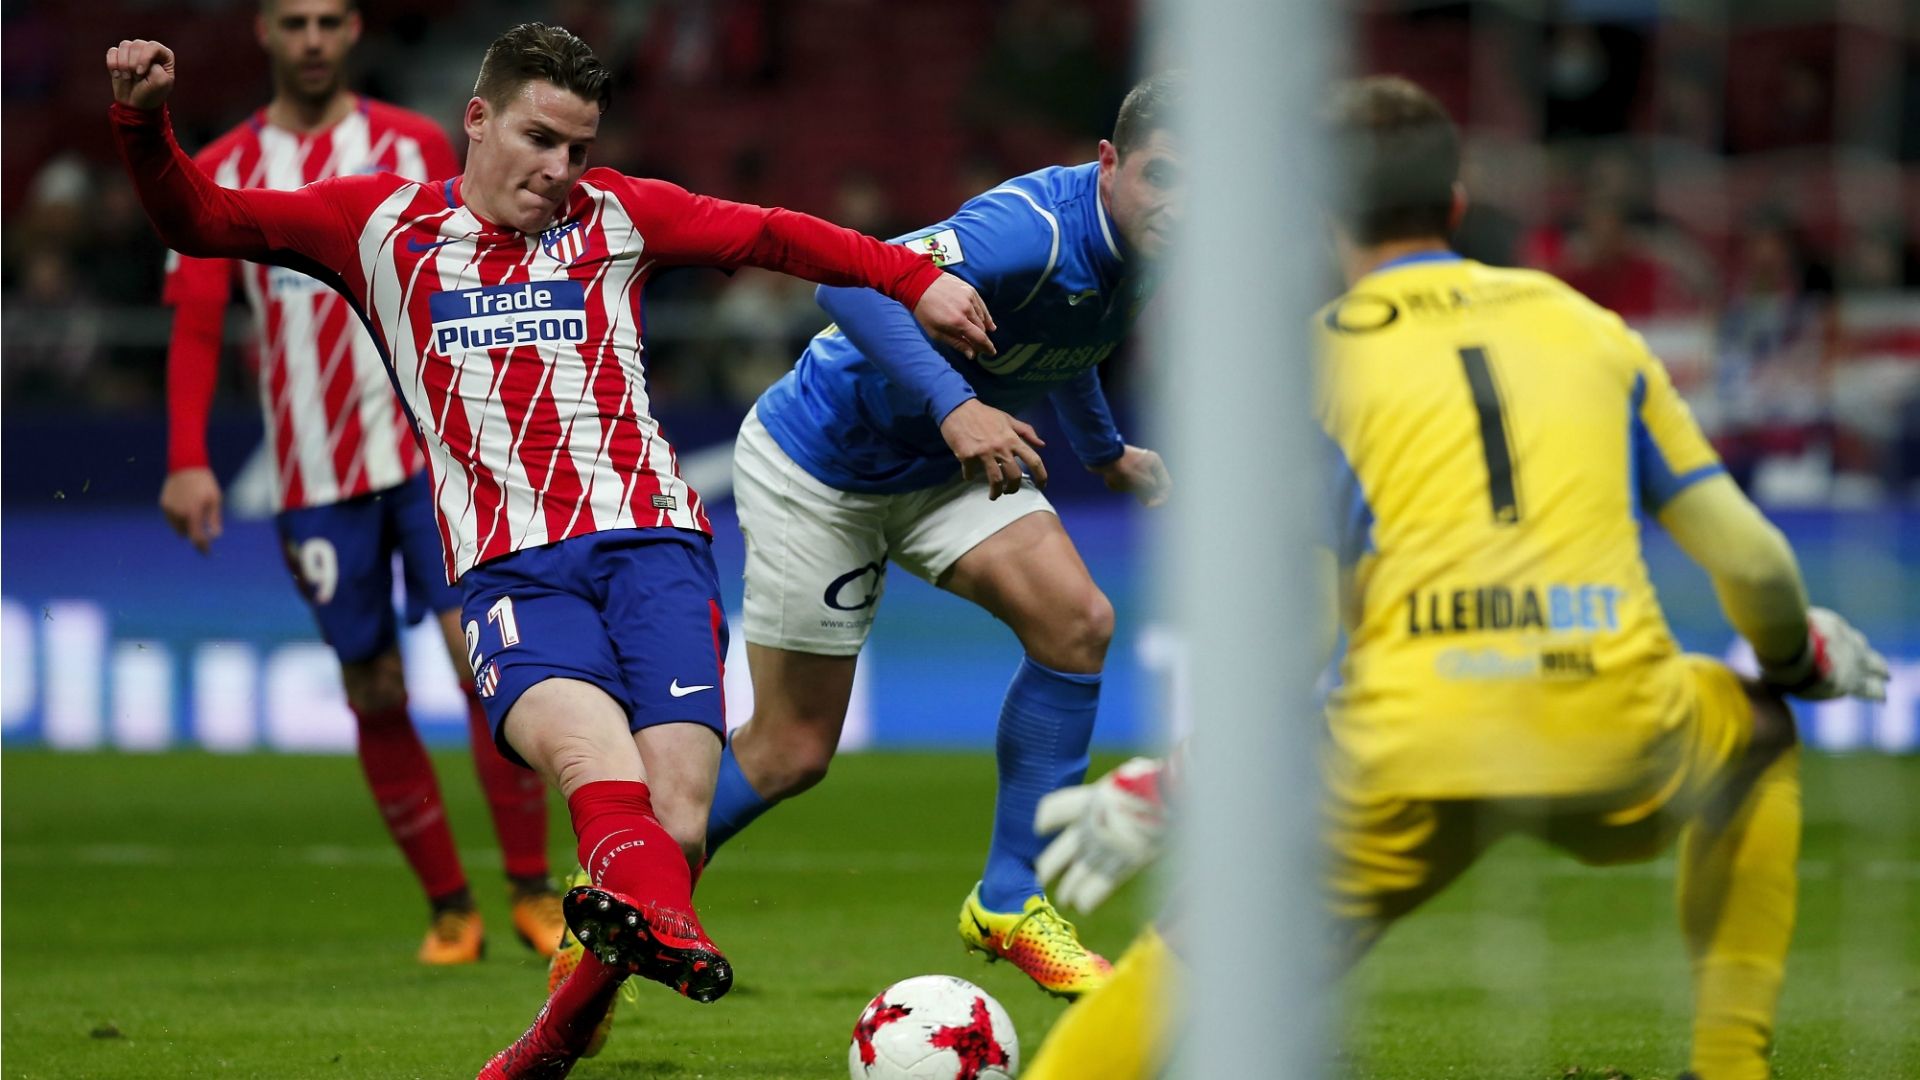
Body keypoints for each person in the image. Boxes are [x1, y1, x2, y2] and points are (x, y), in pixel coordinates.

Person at [104, 23, 993, 1078]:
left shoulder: (617, 213)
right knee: (593, 766)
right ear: (475, 121)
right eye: (539, 139)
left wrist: (909, 278)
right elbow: (201, 219)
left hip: (655, 545)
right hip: (511, 567)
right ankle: (665, 944)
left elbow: (769, 234)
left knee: (682, 821)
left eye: (577, 147)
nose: (560, 170)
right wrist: (143, 120)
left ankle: (560, 1030)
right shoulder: (376, 223)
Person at [1020, 75, 1889, 1080]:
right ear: (1460, 202)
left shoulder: (1307, 366)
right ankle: (1730, 1066)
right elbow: (1747, 554)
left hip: (1407, 751)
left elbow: (1294, 634)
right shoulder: (1587, 326)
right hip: (1610, 720)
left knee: (1194, 966)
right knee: (1757, 731)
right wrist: (1797, 652)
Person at [696, 72, 1182, 999]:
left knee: (1077, 623)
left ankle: (1009, 900)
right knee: (792, 753)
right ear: (1109, 163)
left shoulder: (1159, 243)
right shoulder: (1027, 227)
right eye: (1163, 176)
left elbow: (1062, 335)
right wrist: (959, 407)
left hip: (947, 465)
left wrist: (1106, 452)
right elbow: (853, 281)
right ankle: (624, 890)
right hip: (823, 466)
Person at [156, 0, 562, 968]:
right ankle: (450, 910)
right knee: (373, 685)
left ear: (353, 33)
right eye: (292, 21)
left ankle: (533, 891)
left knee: (487, 662)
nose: (311, 39)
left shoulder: (410, 142)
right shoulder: (221, 169)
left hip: (430, 459)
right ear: (262, 31)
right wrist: (184, 456)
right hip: (312, 476)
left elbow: (473, 275)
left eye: (329, 21)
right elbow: (201, 321)